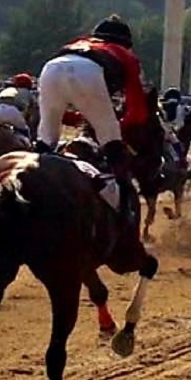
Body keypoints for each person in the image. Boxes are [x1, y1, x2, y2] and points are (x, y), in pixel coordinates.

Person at [35, 15, 149, 243]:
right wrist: (116, 128)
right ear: (126, 43)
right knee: (112, 144)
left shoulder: (77, 43)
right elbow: (138, 109)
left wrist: (80, 117)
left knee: (45, 141)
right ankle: (124, 214)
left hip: (50, 68)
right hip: (88, 74)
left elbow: (67, 108)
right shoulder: (126, 56)